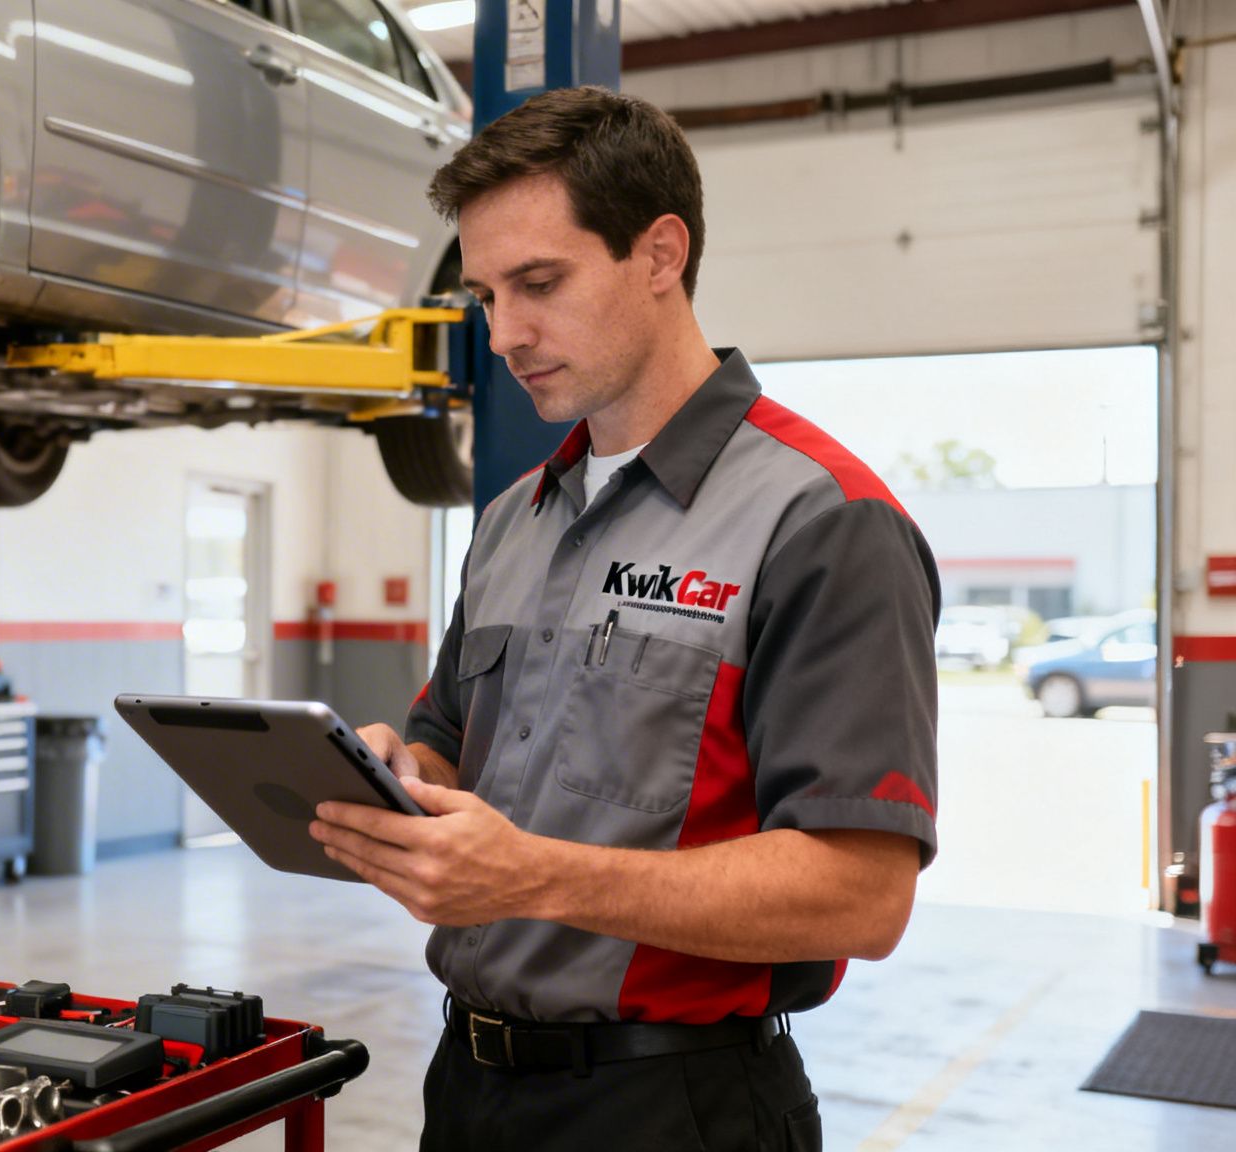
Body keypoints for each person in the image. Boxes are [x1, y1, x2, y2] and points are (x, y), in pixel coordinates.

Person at [308, 86, 939, 1151]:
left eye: (539, 284)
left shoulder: (819, 519)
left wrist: (532, 873)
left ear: (658, 255)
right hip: (466, 1090)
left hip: (674, 1108)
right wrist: (401, 785)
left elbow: (859, 895)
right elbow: (448, 745)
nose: (503, 333)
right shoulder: (515, 516)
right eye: (485, 294)